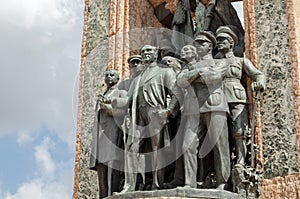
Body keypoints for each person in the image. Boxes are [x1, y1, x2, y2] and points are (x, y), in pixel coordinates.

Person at [113, 45, 181, 192]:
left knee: (157, 149)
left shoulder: (165, 72)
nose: (145, 53)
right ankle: (130, 185)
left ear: (155, 53)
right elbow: (128, 99)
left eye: (148, 51)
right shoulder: (138, 78)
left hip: (155, 112)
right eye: (142, 51)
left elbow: (176, 93)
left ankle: (157, 184)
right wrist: (114, 102)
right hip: (138, 115)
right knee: (131, 148)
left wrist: (168, 111)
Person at [177, 31, 230, 189]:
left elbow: (213, 77)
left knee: (220, 145)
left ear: (210, 46)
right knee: (188, 145)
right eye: (196, 43)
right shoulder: (191, 65)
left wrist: (193, 76)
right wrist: (199, 71)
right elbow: (180, 81)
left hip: (215, 106)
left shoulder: (221, 62)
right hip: (193, 110)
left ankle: (223, 183)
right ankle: (189, 183)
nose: (198, 45)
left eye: (201, 43)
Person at [215, 26, 265, 192]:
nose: (219, 43)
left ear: (230, 43)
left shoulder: (240, 61)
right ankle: (223, 175)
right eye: (218, 40)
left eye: (222, 40)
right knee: (222, 137)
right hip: (219, 100)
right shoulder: (214, 62)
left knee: (239, 133)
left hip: (237, 98)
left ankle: (241, 162)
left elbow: (257, 74)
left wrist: (259, 82)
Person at [89, 69, 127, 198]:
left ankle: (112, 194)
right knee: (101, 166)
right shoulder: (103, 95)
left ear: (117, 79)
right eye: (107, 75)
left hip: (114, 132)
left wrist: (108, 108)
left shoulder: (121, 93)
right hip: (101, 133)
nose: (109, 77)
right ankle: (103, 195)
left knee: (113, 164)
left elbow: (124, 113)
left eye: (112, 75)